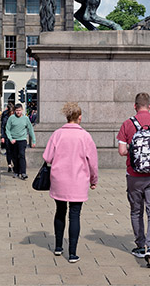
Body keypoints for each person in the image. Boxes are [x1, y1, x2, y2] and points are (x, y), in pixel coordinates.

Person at [117, 92, 150, 269]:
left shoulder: (127, 124)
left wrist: (135, 153)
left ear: (135, 106)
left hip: (134, 175)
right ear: (149, 106)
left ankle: (140, 245)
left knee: (136, 211)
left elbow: (121, 151)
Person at [42, 102, 98, 263]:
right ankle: (72, 253)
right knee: (75, 215)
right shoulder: (85, 136)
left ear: (67, 117)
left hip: (59, 179)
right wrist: (94, 180)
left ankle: (58, 247)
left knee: (60, 211)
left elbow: (47, 157)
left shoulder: (57, 134)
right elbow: (93, 163)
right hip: (78, 180)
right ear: (79, 117)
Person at [5, 102, 35, 179]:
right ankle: (16, 171)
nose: (18, 112)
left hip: (22, 139)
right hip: (13, 140)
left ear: (22, 110)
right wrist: (10, 139)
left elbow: (30, 129)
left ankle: (23, 172)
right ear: (15, 111)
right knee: (15, 157)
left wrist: (33, 141)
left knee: (21, 155)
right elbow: (7, 129)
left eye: (19, 110)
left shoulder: (26, 119)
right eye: (17, 110)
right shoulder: (11, 118)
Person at [0, 101, 15, 173]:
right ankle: (9, 164)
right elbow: (2, 126)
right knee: (8, 151)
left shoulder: (16, 116)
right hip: (6, 135)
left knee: (14, 151)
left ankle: (14, 164)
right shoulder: (5, 116)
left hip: (14, 135)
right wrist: (2, 136)